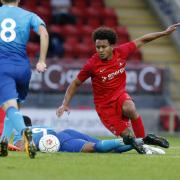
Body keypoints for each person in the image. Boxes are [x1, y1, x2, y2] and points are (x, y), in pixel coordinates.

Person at [56, 24, 180, 153]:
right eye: (97, 47)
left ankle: (143, 142)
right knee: (127, 138)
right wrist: (64, 104)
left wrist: (164, 33)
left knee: (130, 108)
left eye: (104, 47)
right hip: (105, 107)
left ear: (112, 46)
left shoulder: (121, 52)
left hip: (120, 95)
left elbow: (143, 39)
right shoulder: (92, 64)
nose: (100, 50)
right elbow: (75, 83)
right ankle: (145, 140)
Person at [0, 0, 49, 158]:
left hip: (3, 65)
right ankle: (3, 142)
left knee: (9, 107)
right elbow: (44, 33)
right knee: (15, 107)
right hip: (23, 67)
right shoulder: (30, 15)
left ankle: (24, 132)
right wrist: (41, 60)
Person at [0, 116, 168, 155]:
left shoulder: (20, 136)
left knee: (98, 147)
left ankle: (135, 141)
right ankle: (144, 140)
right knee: (111, 150)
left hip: (60, 141)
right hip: (66, 132)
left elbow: (20, 147)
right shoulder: (42, 126)